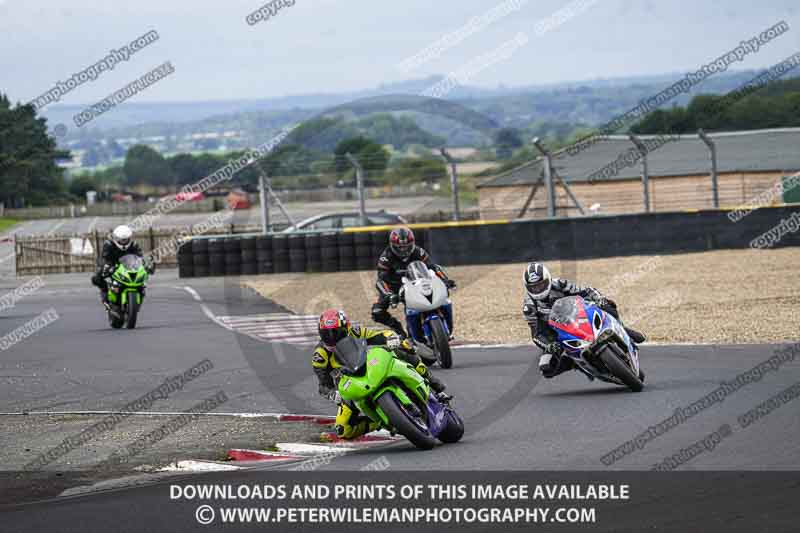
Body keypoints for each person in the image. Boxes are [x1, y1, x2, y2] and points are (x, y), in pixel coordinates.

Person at [311, 309, 447, 440]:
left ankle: (431, 380)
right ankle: (378, 421)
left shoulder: (356, 332)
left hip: (370, 366)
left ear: (346, 328)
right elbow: (323, 385)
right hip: (350, 385)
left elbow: (381, 335)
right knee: (343, 430)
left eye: (336, 333)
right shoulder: (320, 355)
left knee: (403, 346)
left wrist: (391, 338)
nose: (332, 338)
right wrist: (332, 394)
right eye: (326, 334)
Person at [521, 262, 646, 379]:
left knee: (608, 305)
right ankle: (574, 363)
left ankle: (623, 329)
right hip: (556, 333)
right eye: (534, 287)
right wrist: (549, 344)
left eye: (541, 285)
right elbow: (536, 334)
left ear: (548, 280)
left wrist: (599, 299)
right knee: (547, 369)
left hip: (577, 315)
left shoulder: (560, 284)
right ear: (527, 288)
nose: (538, 290)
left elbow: (585, 291)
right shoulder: (529, 307)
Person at [372, 227, 455, 336]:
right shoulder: (386, 257)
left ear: (412, 244)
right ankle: (398, 329)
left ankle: (444, 327)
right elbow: (381, 280)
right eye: (400, 247)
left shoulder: (418, 251)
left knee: (443, 298)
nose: (403, 250)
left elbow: (433, 267)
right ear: (392, 246)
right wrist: (389, 294)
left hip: (416, 282)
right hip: (394, 287)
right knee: (377, 312)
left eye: (407, 247)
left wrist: (445, 280)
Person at [90, 225, 149, 306]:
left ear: (129, 238)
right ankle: (105, 292)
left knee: (143, 278)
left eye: (126, 240)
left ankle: (140, 291)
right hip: (113, 265)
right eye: (121, 240)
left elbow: (140, 257)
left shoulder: (134, 245)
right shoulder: (109, 244)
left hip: (129, 266)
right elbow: (104, 258)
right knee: (96, 277)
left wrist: (145, 263)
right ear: (116, 238)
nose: (123, 242)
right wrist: (107, 266)